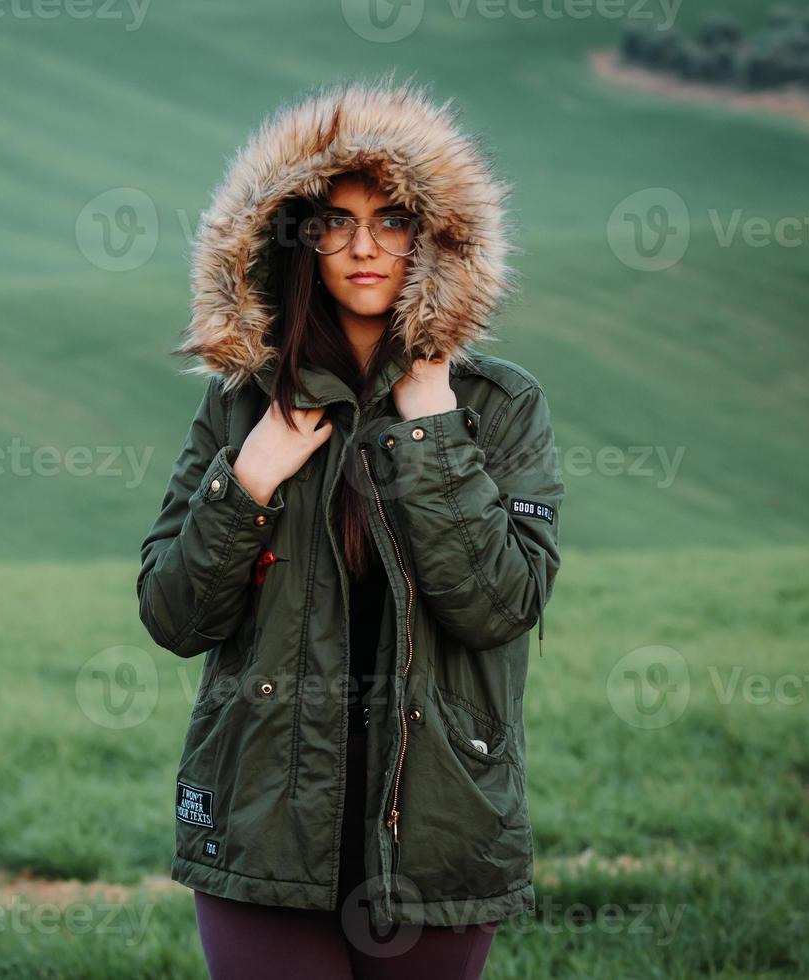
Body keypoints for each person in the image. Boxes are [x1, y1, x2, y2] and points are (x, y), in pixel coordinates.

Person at [137, 76, 565, 979]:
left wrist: (433, 428)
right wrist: (250, 475)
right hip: (262, 827)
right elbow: (175, 617)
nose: (364, 248)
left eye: (394, 220)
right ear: (295, 241)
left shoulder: (500, 405)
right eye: (335, 222)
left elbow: (502, 606)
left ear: (439, 237)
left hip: (443, 828)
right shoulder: (243, 407)